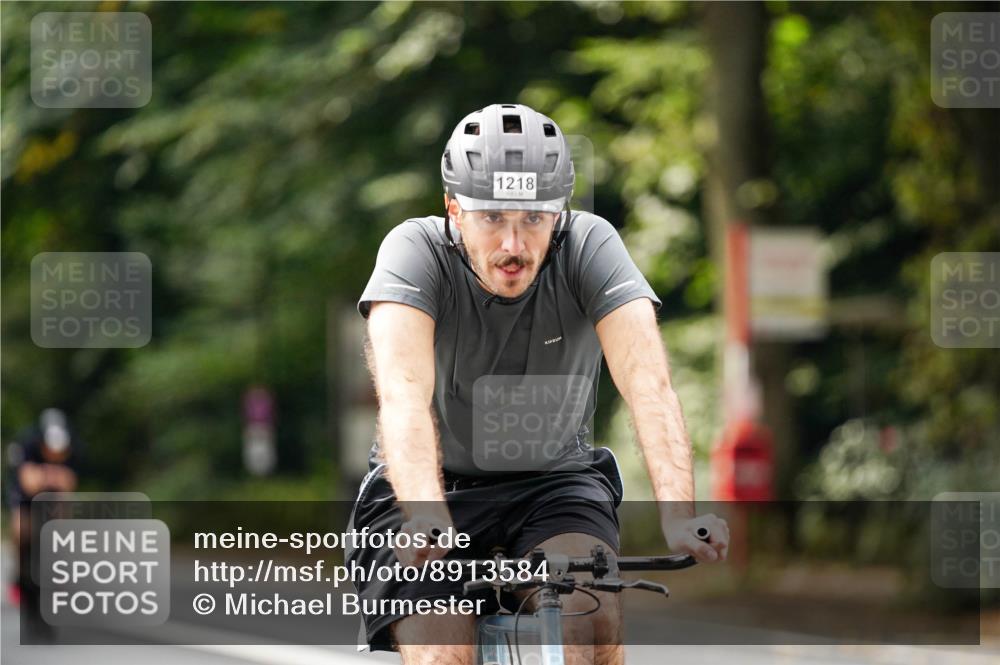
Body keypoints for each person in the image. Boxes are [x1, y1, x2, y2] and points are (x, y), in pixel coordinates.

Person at [347, 103, 729, 665]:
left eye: (533, 218)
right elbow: (403, 395)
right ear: (454, 210)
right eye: (492, 218)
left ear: (559, 213)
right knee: (442, 648)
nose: (513, 245)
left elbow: (649, 382)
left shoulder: (590, 246)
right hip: (433, 489)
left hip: (555, 485)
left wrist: (678, 513)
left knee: (591, 616)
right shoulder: (414, 252)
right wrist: (425, 513)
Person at [5, 408, 80, 641]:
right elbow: (28, 484)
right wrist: (51, 477)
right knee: (21, 530)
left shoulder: (74, 449)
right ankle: (17, 571)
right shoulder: (26, 445)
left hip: (51, 499)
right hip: (25, 499)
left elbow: (69, 484)